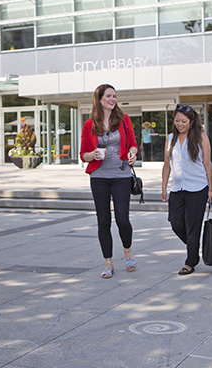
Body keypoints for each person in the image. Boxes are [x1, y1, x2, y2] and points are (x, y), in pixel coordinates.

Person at [80, 84, 139, 279]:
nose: (112, 99)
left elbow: (133, 145)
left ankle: (128, 251)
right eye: (108, 96)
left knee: (122, 218)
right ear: (99, 100)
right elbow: (83, 155)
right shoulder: (89, 125)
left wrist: (132, 153)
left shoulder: (124, 120)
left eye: (114, 96)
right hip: (99, 177)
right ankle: (108, 263)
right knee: (103, 220)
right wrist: (93, 154)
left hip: (121, 175)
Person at [161, 104, 212, 275]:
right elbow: (167, 164)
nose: (179, 124)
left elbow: (207, 164)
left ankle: (190, 261)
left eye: (183, 121)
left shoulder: (201, 137)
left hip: (198, 187)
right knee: (175, 222)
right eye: (177, 120)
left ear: (191, 122)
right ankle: (194, 248)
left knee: (193, 225)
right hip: (177, 188)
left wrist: (211, 188)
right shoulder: (170, 139)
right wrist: (164, 187)